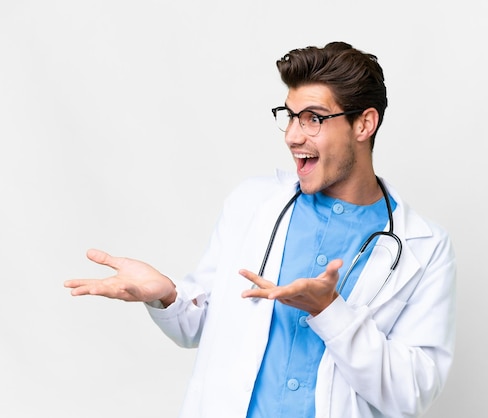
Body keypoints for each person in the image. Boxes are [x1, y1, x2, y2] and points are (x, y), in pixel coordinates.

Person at [64, 41, 457, 418]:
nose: (292, 136)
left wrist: (330, 311)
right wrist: (167, 294)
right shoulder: (250, 204)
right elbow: (201, 324)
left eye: (314, 119)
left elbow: (412, 393)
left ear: (364, 124)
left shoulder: (425, 248)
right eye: (290, 116)